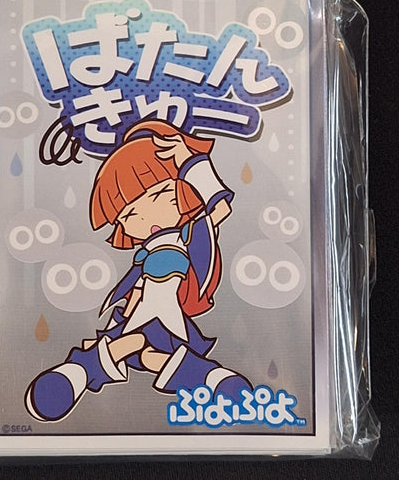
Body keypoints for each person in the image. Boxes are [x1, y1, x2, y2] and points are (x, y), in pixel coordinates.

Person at [25, 119, 251, 422]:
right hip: (139, 314)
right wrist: (130, 305)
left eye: (159, 196)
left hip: (171, 316)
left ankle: (213, 379)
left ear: (181, 192)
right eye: (130, 214)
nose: (146, 216)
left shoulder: (192, 234)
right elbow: (140, 286)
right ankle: (74, 377)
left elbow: (218, 207)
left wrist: (190, 161)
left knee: (148, 351)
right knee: (135, 346)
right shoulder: (143, 255)